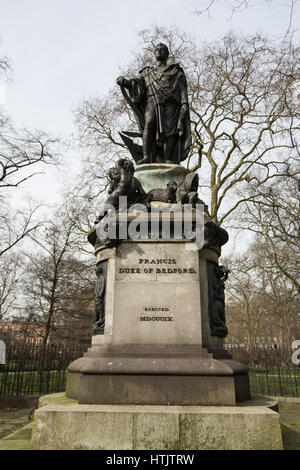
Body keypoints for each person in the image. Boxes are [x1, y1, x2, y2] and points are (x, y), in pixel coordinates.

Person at [116, 43, 192, 164]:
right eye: (156, 49)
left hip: (171, 103)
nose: (158, 51)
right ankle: (146, 157)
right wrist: (125, 82)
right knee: (149, 123)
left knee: (171, 131)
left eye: (161, 49)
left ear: (166, 54)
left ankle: (167, 158)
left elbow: (183, 90)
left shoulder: (176, 72)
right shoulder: (147, 72)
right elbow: (136, 84)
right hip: (152, 101)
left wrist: (184, 104)